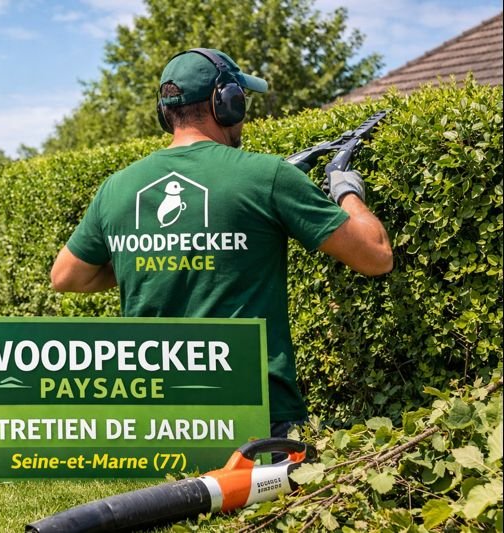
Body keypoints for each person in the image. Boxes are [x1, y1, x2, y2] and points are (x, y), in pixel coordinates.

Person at [50, 47, 393, 442]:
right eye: (241, 99)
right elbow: (376, 256)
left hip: (156, 421)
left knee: (170, 507)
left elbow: (66, 276)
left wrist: (157, 250)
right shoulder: (267, 177)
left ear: (166, 114)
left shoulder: (117, 188)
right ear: (224, 102)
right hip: (256, 417)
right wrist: (346, 191)